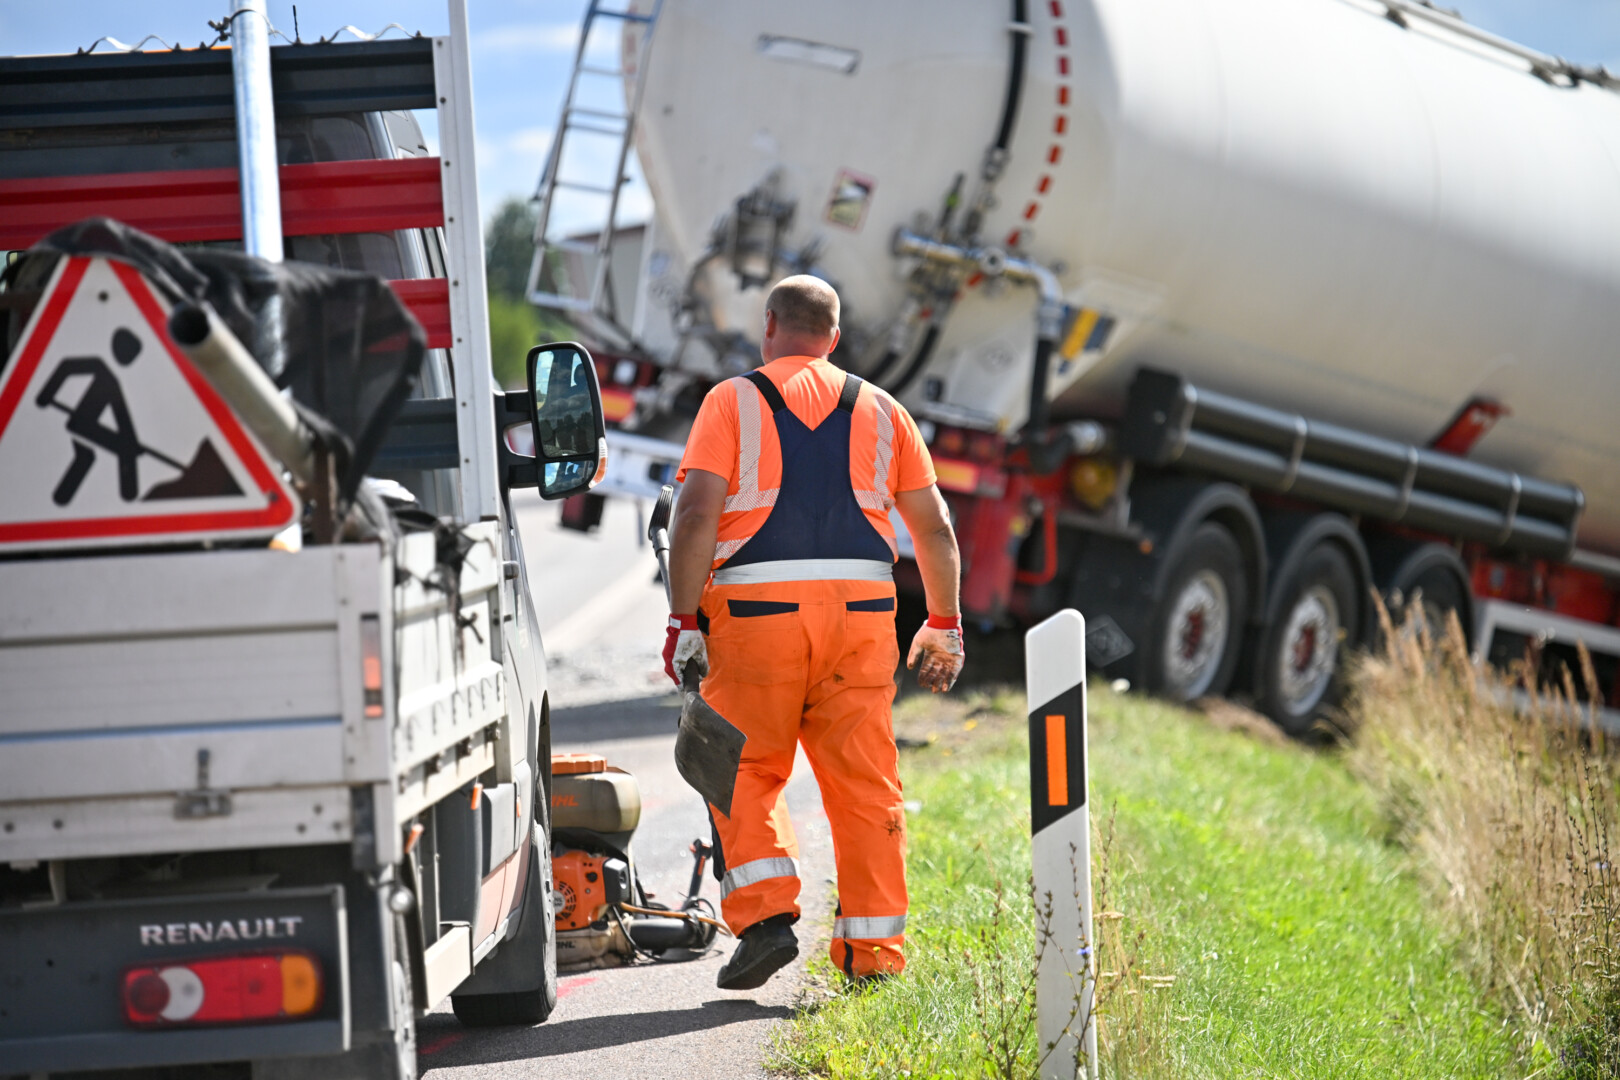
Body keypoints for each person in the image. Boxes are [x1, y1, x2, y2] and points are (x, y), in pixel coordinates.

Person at [662, 274, 965, 990]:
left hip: (756, 617)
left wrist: (682, 619)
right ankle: (873, 956)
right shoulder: (885, 409)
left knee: (741, 766)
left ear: (768, 326)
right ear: (834, 337)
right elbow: (934, 529)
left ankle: (767, 920)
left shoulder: (731, 401)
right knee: (865, 784)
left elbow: (696, 514)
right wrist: (943, 623)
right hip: (862, 620)